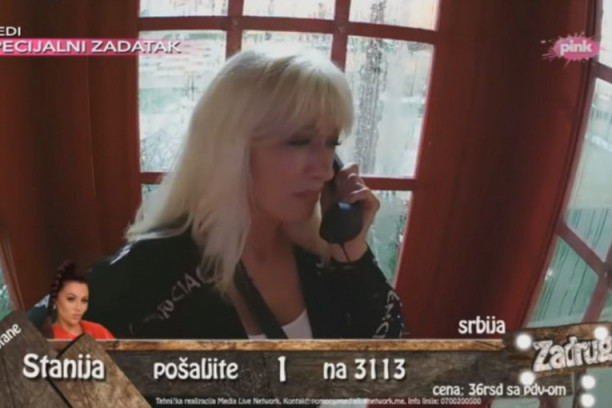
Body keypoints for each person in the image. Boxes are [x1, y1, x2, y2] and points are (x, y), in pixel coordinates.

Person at [84, 46, 407, 340]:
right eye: (298, 141)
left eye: (331, 144)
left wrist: (353, 255)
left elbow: (393, 358)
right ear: (230, 149)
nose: (324, 171)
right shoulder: (147, 272)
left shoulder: (320, 256)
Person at [42, 261, 115, 340]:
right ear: (56, 299)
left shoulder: (99, 332)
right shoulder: (47, 338)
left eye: (84, 300)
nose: (78, 308)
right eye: (71, 299)